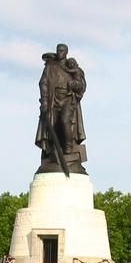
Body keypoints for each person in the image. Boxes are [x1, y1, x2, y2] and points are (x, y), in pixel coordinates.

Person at [35, 43, 87, 174]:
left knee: (64, 122)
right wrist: (45, 102)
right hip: (53, 100)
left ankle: (68, 149)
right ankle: (52, 153)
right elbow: (43, 83)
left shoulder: (72, 66)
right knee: (51, 125)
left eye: (62, 50)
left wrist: (74, 84)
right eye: (58, 50)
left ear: (66, 52)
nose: (60, 52)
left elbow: (81, 84)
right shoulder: (50, 67)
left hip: (67, 99)